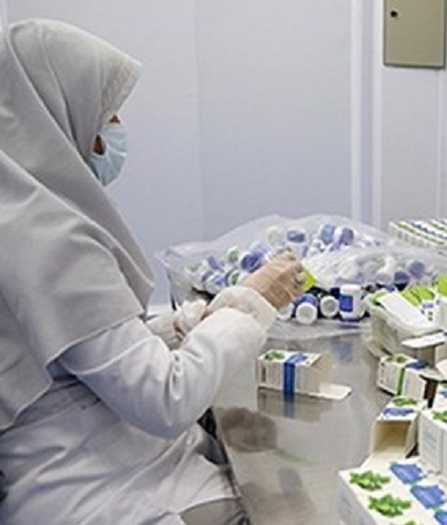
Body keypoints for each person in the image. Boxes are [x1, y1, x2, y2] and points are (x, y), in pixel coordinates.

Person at [0, 20, 306, 524]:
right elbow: (164, 399)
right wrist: (255, 302)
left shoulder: (20, 217)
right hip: (98, 491)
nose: (114, 129)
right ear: (53, 109)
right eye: (107, 112)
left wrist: (186, 325)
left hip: (83, 464)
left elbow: (81, 352)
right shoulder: (48, 239)